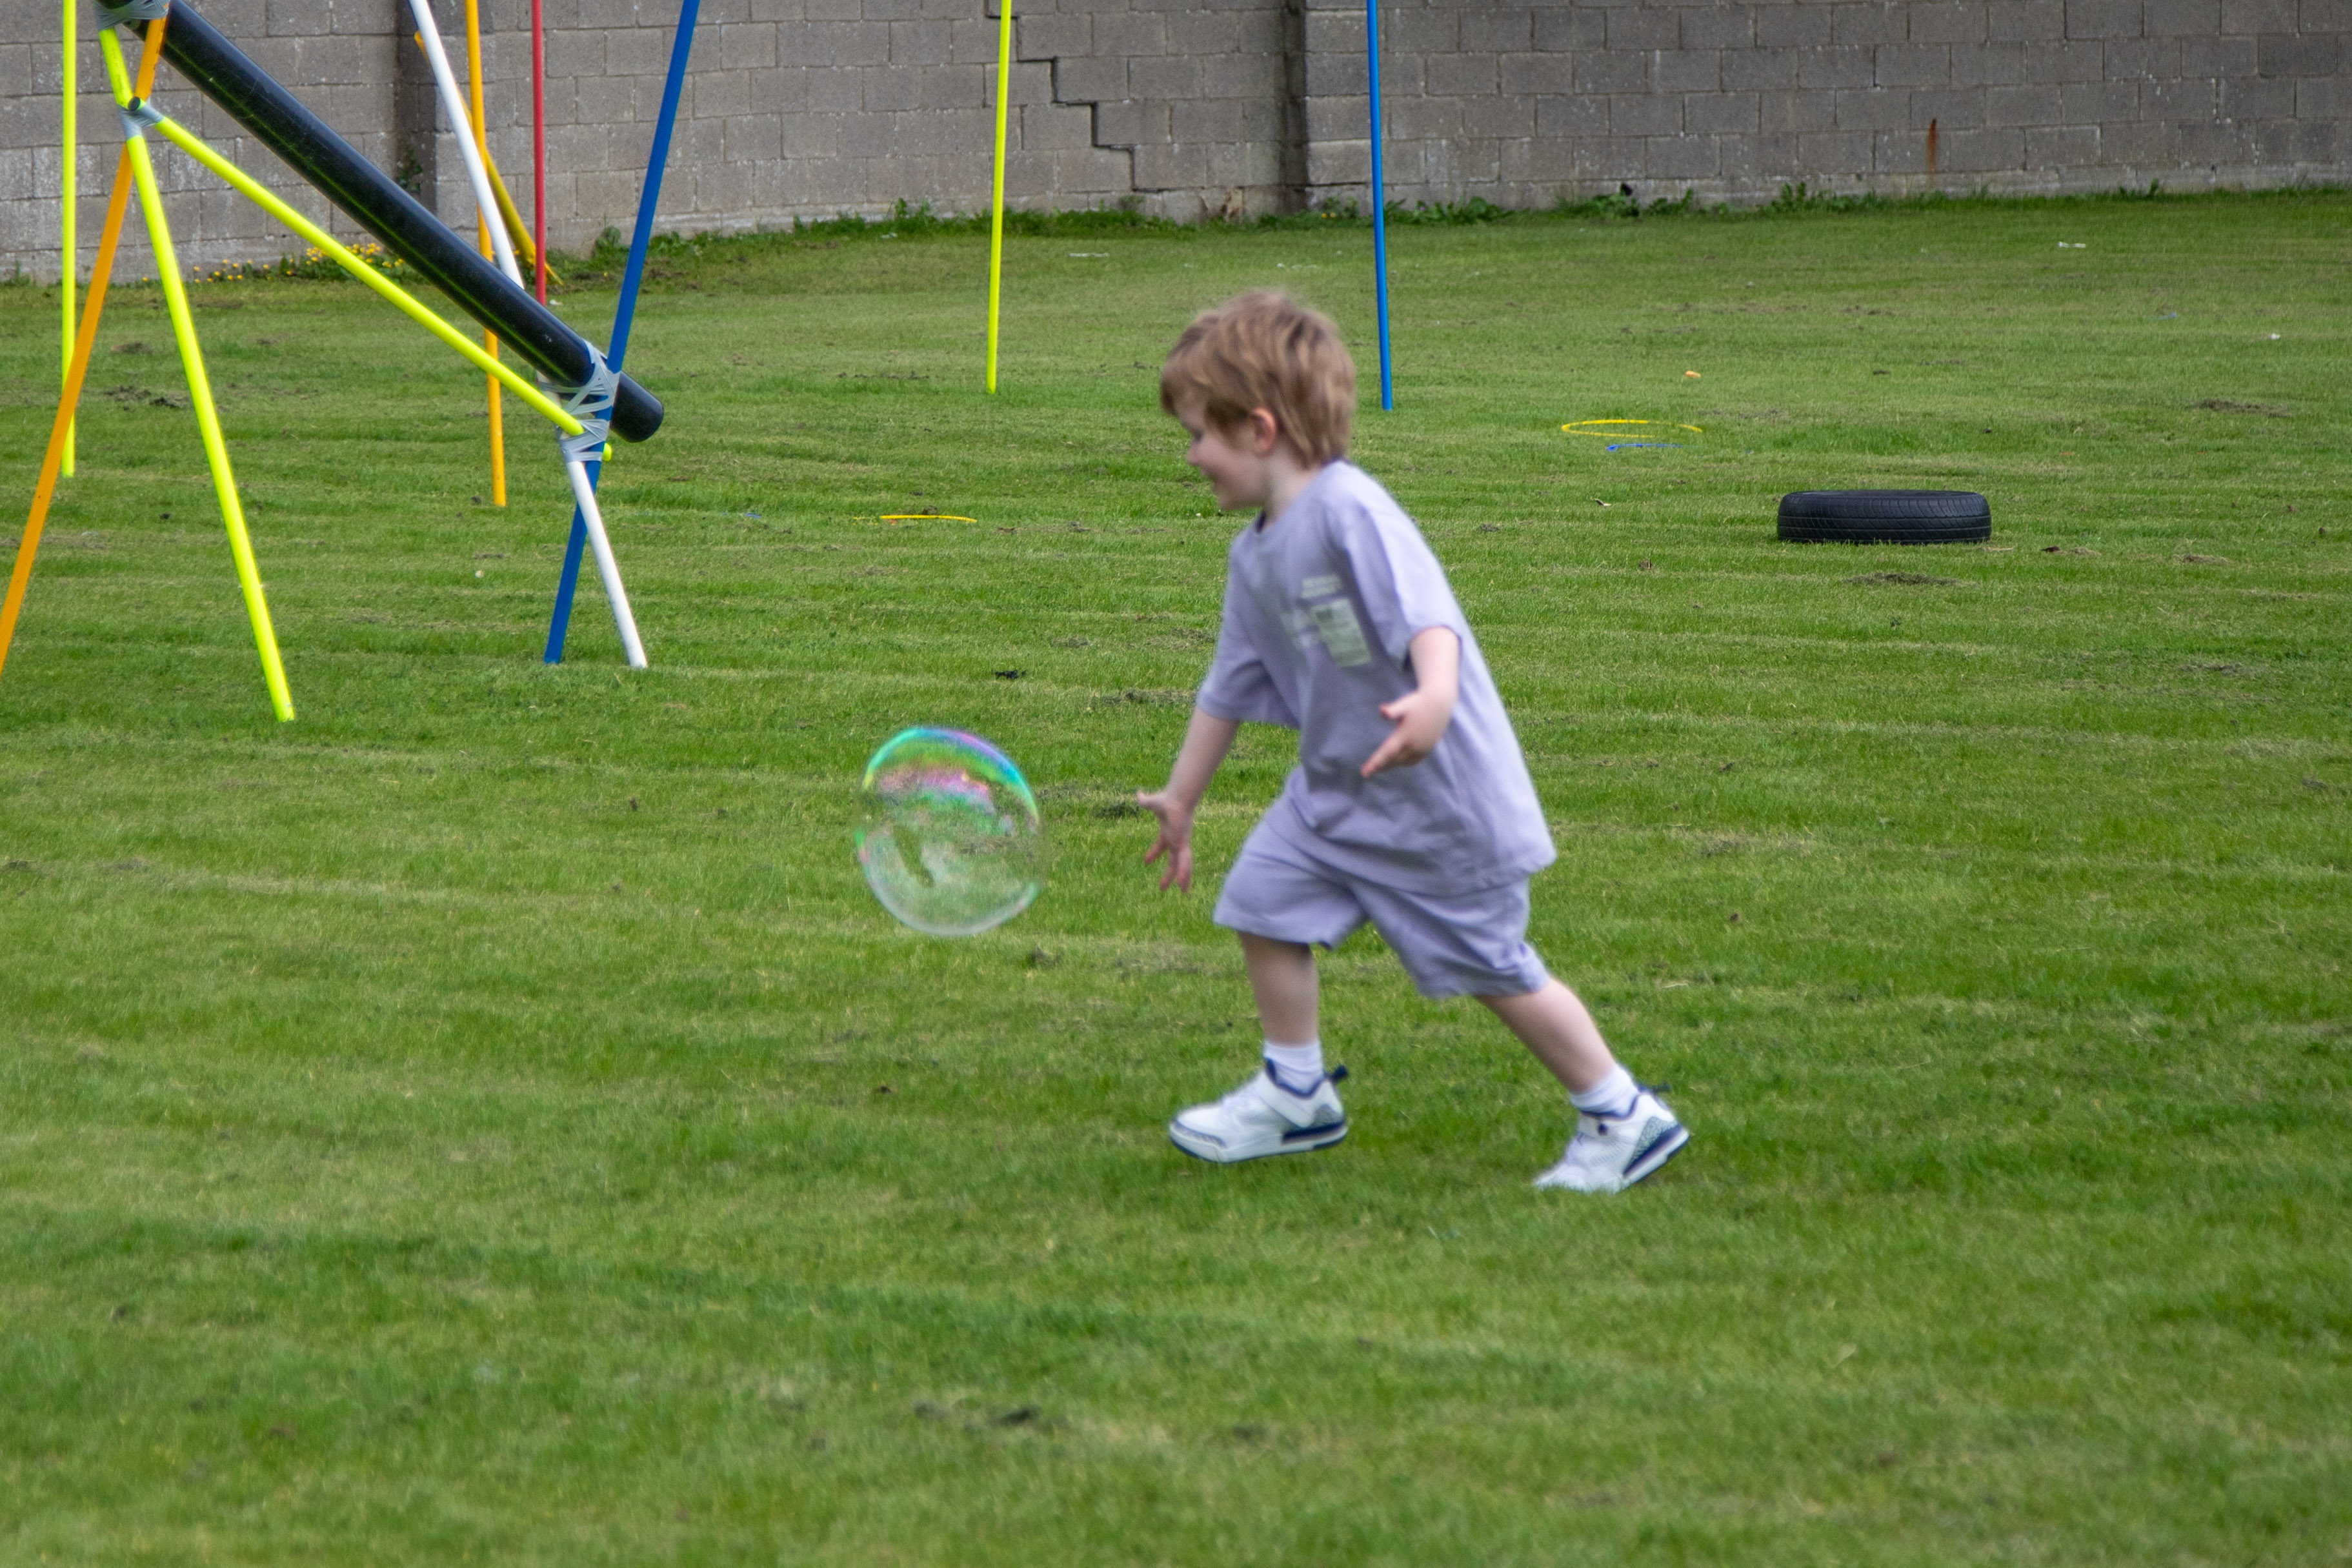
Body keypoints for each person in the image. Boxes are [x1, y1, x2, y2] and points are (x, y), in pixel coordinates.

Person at [1136, 292, 1687, 1192]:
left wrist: (1433, 697)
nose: (1190, 455)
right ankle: (1295, 1090)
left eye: (1198, 435)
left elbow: (1430, 619)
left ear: (1259, 429)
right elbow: (1228, 685)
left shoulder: (1350, 511)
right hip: (1335, 794)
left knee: (1493, 967)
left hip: (1438, 800)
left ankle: (1622, 1114)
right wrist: (1181, 798)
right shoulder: (1253, 556)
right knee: (1261, 903)